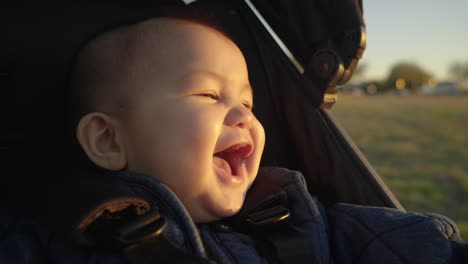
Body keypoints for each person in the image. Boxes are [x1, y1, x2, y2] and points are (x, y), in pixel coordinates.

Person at [1, 11, 467, 264]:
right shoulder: (48, 234)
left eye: (247, 103)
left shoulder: (293, 211)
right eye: (207, 94)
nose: (242, 116)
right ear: (107, 140)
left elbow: (400, 244)